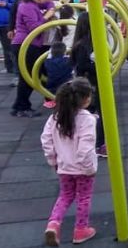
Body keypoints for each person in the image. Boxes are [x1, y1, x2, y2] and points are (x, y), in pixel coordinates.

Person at [41, 78, 98, 246]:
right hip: (82, 169)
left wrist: (53, 160)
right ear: (86, 99)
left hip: (64, 167)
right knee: (84, 198)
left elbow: (46, 139)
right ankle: (81, 230)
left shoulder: (56, 117)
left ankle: (53, 223)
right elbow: (85, 148)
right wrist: (89, 168)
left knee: (65, 196)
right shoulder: (86, 119)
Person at [11, 0, 55, 117]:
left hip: (31, 45)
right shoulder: (27, 7)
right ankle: (21, 107)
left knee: (30, 76)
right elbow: (34, 28)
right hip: (25, 45)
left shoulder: (33, 4)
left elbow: (49, 4)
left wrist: (51, 7)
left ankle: (19, 106)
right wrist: (47, 16)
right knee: (28, 77)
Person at [70, 12, 107, 158]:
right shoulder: (84, 45)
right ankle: (98, 145)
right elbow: (82, 65)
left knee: (94, 114)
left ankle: (96, 144)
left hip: (91, 82)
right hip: (91, 83)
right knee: (97, 115)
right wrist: (101, 66)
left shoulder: (85, 42)